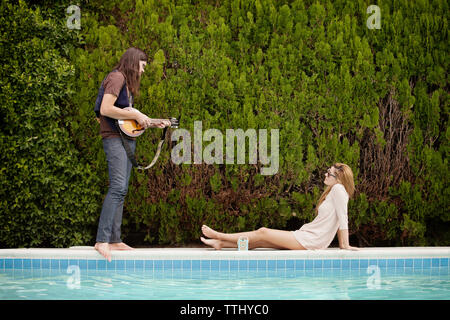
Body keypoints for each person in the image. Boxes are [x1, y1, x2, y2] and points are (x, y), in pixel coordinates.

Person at [95, 47, 171, 261]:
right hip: (113, 138)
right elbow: (105, 109)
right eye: (142, 66)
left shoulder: (126, 86)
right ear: (133, 62)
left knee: (122, 189)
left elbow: (127, 118)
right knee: (117, 187)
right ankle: (102, 240)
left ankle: (115, 240)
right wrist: (136, 113)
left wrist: (154, 123)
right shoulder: (116, 77)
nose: (143, 71)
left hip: (124, 139)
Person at [201, 163, 359, 250]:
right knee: (261, 242)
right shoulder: (334, 191)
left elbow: (343, 218)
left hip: (311, 240)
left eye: (329, 174)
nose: (325, 175)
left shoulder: (339, 190)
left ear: (339, 179)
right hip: (308, 236)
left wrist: (344, 244)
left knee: (262, 232)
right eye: (327, 171)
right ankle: (222, 244)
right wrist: (342, 244)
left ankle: (220, 235)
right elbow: (338, 220)